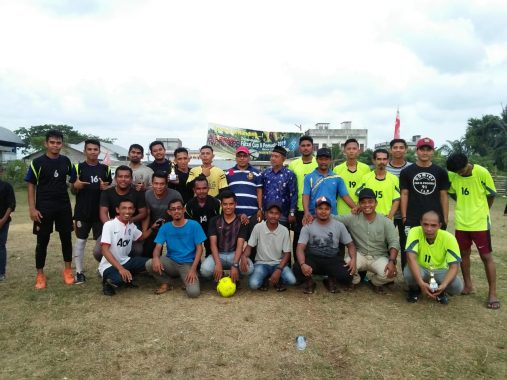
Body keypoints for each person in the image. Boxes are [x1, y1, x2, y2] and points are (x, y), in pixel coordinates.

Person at [447, 153, 500, 309]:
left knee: (486, 256)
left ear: (467, 163)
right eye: (457, 172)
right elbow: (451, 192)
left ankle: (493, 293)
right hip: (461, 223)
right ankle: (468, 286)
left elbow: (491, 194)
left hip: (480, 224)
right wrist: (463, 203)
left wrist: (483, 210)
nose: (460, 173)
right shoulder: (454, 174)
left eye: (462, 170)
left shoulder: (482, 172)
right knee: (463, 255)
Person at [25, 130, 74, 289]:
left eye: (58, 142)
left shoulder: (66, 161)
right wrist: (32, 209)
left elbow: (75, 182)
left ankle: (67, 270)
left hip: (63, 206)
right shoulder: (37, 162)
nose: (55, 145)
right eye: (52, 142)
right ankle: (40, 274)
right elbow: (31, 185)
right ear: (46, 144)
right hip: (44, 207)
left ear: (62, 144)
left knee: (66, 239)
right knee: (42, 241)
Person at [337, 188, 400, 293]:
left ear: (376, 203)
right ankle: (356, 280)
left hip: (379, 257)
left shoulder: (386, 221)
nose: (367, 205)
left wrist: (392, 261)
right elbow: (335, 218)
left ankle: (374, 282)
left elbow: (394, 242)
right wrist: (313, 215)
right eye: (363, 202)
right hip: (360, 255)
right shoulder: (352, 218)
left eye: (370, 202)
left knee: (391, 273)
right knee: (344, 267)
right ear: (359, 204)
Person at [69, 139, 112, 284]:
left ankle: (103, 268)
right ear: (84, 151)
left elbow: (109, 188)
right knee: (81, 241)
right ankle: (79, 272)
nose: (93, 152)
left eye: (95, 149)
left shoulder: (105, 169)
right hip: (83, 212)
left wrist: (106, 187)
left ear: (99, 151)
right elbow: (73, 190)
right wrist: (76, 186)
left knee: (102, 244)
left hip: (100, 212)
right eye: (90, 149)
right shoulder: (77, 168)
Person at [294, 196, 357, 294]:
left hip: (332, 259)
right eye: (320, 208)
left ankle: (330, 279)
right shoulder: (308, 226)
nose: (323, 211)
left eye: (326, 209)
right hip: (313, 259)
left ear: (331, 210)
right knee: (297, 268)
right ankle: (310, 281)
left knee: (347, 276)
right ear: (315, 210)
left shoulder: (339, 225)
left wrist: (353, 259)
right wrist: (303, 264)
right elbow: (300, 248)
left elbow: (351, 245)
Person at [145, 199, 206, 298]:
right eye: (173, 209)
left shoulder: (194, 225)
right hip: (171, 262)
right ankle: (166, 282)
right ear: (169, 212)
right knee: (149, 263)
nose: (176, 211)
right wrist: (156, 258)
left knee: (193, 293)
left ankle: (189, 277)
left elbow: (200, 249)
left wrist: (193, 269)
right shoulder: (165, 227)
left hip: (188, 263)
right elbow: (157, 247)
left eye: (179, 208)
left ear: (184, 210)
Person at [404, 211, 464, 304]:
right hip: (421, 268)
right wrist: (420, 282)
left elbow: (454, 267)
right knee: (408, 273)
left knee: (457, 287)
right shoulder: (414, 231)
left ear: (439, 225)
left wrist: (444, 285)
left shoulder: (449, 238)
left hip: (440, 270)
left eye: (433, 225)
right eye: (425, 224)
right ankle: (415, 290)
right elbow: (410, 257)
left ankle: (440, 291)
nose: (428, 229)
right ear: (420, 223)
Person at [100, 199, 153, 296]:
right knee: (119, 280)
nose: (127, 211)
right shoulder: (109, 225)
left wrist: (152, 228)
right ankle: (107, 283)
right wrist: (121, 269)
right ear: (117, 210)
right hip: (109, 265)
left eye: (130, 208)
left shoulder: (130, 225)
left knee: (151, 263)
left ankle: (127, 277)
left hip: (126, 261)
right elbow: (104, 250)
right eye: (124, 208)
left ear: (133, 210)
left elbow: (141, 237)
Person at [200, 191, 253, 282]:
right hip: (219, 254)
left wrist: (235, 265)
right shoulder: (214, 220)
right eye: (225, 204)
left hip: (234, 253)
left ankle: (236, 277)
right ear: (221, 205)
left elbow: (240, 245)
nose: (228, 207)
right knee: (204, 270)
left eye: (231, 204)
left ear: (235, 204)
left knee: (249, 269)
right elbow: (213, 244)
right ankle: (219, 276)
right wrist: (218, 263)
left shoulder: (242, 221)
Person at [97, 165, 147, 260]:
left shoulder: (137, 193)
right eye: (120, 176)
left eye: (127, 177)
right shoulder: (107, 192)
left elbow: (143, 213)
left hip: (132, 227)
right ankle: (108, 266)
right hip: (114, 226)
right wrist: (110, 226)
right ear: (115, 178)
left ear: (132, 179)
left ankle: (130, 267)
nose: (123, 179)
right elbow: (103, 213)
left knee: (138, 250)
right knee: (97, 251)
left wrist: (130, 220)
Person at [400, 137, 450, 231]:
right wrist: (404, 217)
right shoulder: (406, 171)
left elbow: (443, 196)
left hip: (435, 217)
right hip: (413, 217)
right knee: (412, 245)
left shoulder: (441, 172)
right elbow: (404, 194)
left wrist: (445, 218)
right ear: (417, 150)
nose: (425, 153)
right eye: (422, 149)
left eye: (428, 150)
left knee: (434, 245)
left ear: (433, 151)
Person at [244, 201, 296, 291]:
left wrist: (279, 269)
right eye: (271, 212)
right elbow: (249, 247)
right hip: (261, 263)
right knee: (253, 284)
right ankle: (266, 279)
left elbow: (287, 253)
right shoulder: (258, 227)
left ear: (280, 215)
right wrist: (243, 257)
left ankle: (277, 279)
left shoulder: (284, 230)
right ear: (265, 214)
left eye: (276, 213)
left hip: (278, 263)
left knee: (292, 280)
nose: (273, 216)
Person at [302, 147, 357, 225]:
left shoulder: (337, 178)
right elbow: (305, 195)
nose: (324, 162)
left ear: (331, 160)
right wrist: (306, 212)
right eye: (321, 159)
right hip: (313, 217)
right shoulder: (308, 177)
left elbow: (345, 195)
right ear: (317, 160)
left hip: (332, 217)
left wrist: (355, 208)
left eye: (326, 159)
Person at [288, 135, 318, 262]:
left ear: (312, 147)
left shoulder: (319, 163)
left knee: (314, 240)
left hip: (316, 209)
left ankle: (313, 268)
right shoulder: (293, 164)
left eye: (308, 145)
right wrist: (292, 210)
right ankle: (299, 267)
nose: (306, 148)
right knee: (299, 239)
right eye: (303, 146)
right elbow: (290, 188)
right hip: (299, 208)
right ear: (299, 148)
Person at [142, 171, 183, 258]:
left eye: (162, 184)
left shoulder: (175, 195)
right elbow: (147, 214)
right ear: (152, 183)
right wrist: (145, 231)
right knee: (148, 252)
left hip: (172, 227)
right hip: (154, 227)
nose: (159, 187)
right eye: (156, 183)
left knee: (177, 253)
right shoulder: (147, 195)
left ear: (166, 184)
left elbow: (180, 214)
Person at [386, 138, 412, 270]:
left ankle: (408, 277)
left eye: (401, 147)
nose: (398, 150)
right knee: (385, 244)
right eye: (395, 147)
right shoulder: (384, 167)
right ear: (391, 150)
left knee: (406, 245)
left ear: (406, 150)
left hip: (406, 214)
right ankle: (385, 276)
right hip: (387, 214)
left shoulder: (412, 168)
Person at [356, 148, 400, 219]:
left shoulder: (394, 179)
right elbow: (360, 198)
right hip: (367, 218)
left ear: (388, 161)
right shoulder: (366, 178)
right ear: (374, 160)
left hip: (386, 218)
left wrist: (390, 217)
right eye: (379, 159)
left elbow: (396, 200)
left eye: (384, 159)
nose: (382, 161)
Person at [184, 175, 221, 257]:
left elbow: (221, 220)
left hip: (211, 234)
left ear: (208, 188)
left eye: (204, 188)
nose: (201, 191)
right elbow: (187, 224)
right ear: (194, 189)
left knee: (211, 255)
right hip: (195, 234)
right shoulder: (189, 205)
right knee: (193, 253)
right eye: (198, 189)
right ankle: (196, 267)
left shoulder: (216, 203)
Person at [261, 145, 297, 227]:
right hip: (267, 214)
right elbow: (260, 192)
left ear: (283, 159)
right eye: (272, 156)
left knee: (282, 237)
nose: (273, 158)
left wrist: (292, 212)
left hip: (283, 214)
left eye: (276, 156)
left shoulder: (290, 175)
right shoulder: (265, 173)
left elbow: (293, 194)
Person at [333, 138, 371, 215]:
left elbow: (367, 189)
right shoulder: (337, 169)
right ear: (344, 151)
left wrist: (359, 206)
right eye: (349, 149)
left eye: (354, 148)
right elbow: (335, 191)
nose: (351, 151)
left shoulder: (366, 168)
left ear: (358, 151)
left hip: (361, 209)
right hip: (342, 211)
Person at [225, 146, 263, 224]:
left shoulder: (257, 173)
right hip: (234, 214)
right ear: (236, 158)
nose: (242, 158)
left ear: (249, 158)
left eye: (244, 156)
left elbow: (259, 192)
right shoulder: (229, 173)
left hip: (253, 214)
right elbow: (226, 193)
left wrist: (260, 209)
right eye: (239, 156)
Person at [0, 173, 15, 281]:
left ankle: (1, 273)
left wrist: (3, 220)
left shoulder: (6, 186)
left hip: (3, 222)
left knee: (0, 246)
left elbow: (11, 205)